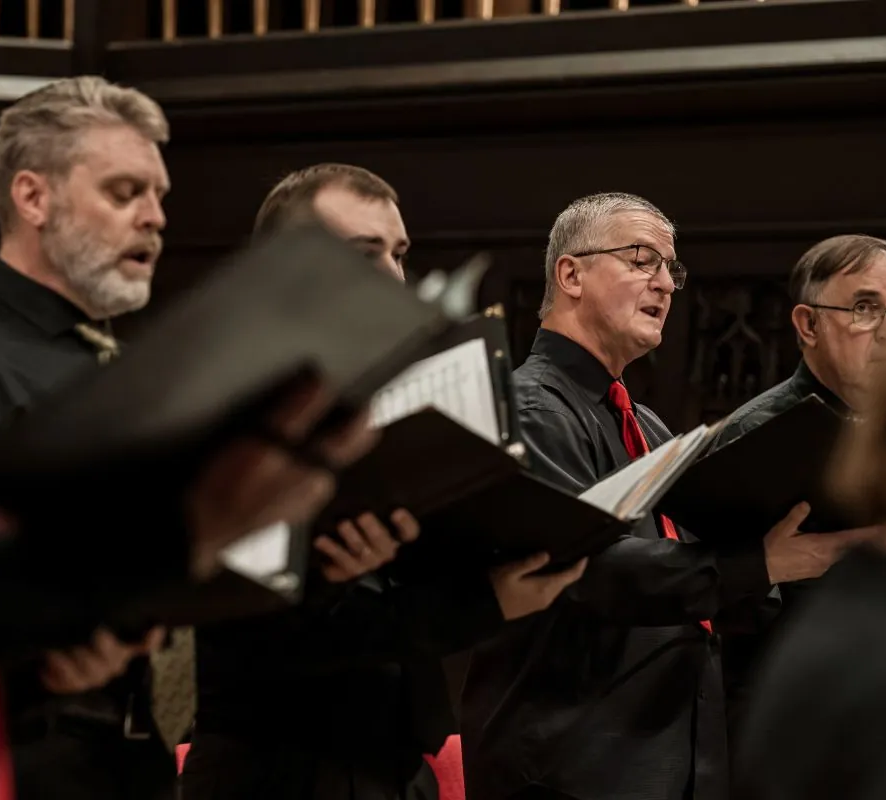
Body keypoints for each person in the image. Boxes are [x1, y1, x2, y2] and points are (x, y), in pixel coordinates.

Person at [0, 5, 377, 799]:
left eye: (158, 195)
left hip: (135, 753)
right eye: (126, 192)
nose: (156, 217)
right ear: (33, 197)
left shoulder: (123, 365)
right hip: (25, 757)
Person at [181, 164, 587, 800]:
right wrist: (486, 604)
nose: (395, 277)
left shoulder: (383, 395)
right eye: (365, 254)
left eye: (399, 253)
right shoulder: (234, 406)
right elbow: (261, 639)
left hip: (394, 763)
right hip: (275, 770)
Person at [459, 192, 875, 800]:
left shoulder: (650, 426)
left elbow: (702, 580)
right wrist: (762, 562)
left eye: (671, 270)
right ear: (569, 274)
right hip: (569, 765)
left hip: (670, 757)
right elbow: (586, 570)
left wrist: (772, 559)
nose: (665, 284)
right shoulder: (526, 410)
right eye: (640, 259)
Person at [710, 235, 886, 741]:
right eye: (864, 308)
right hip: (791, 721)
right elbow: (721, 605)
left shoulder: (883, 432)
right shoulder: (756, 434)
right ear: (808, 324)